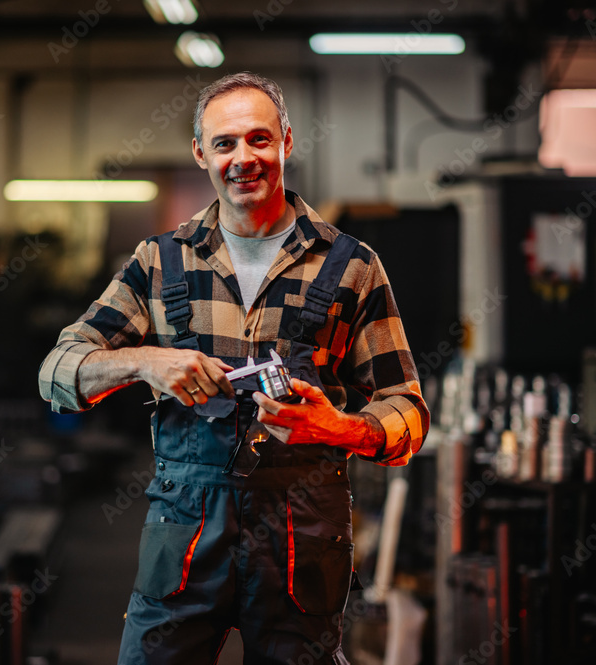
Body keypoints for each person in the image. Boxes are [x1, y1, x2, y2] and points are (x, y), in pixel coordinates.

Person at [39, 72, 429, 665]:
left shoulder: (353, 267)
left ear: (286, 143)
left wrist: (337, 427)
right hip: (186, 533)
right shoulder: (160, 262)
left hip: (303, 538)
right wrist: (146, 361)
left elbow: (408, 411)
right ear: (201, 153)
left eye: (259, 140)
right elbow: (58, 373)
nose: (243, 158)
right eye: (225, 143)